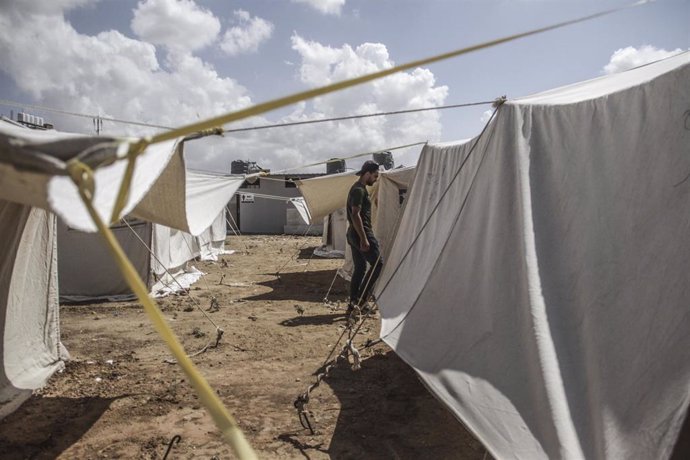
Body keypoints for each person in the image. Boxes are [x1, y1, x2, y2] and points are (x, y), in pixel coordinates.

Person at [346, 160, 383, 314]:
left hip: (353, 234)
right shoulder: (359, 190)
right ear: (367, 173)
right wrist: (364, 238)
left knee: (360, 269)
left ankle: (353, 302)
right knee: (377, 264)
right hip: (361, 233)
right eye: (374, 176)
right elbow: (355, 214)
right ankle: (361, 300)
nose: (375, 180)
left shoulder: (358, 189)